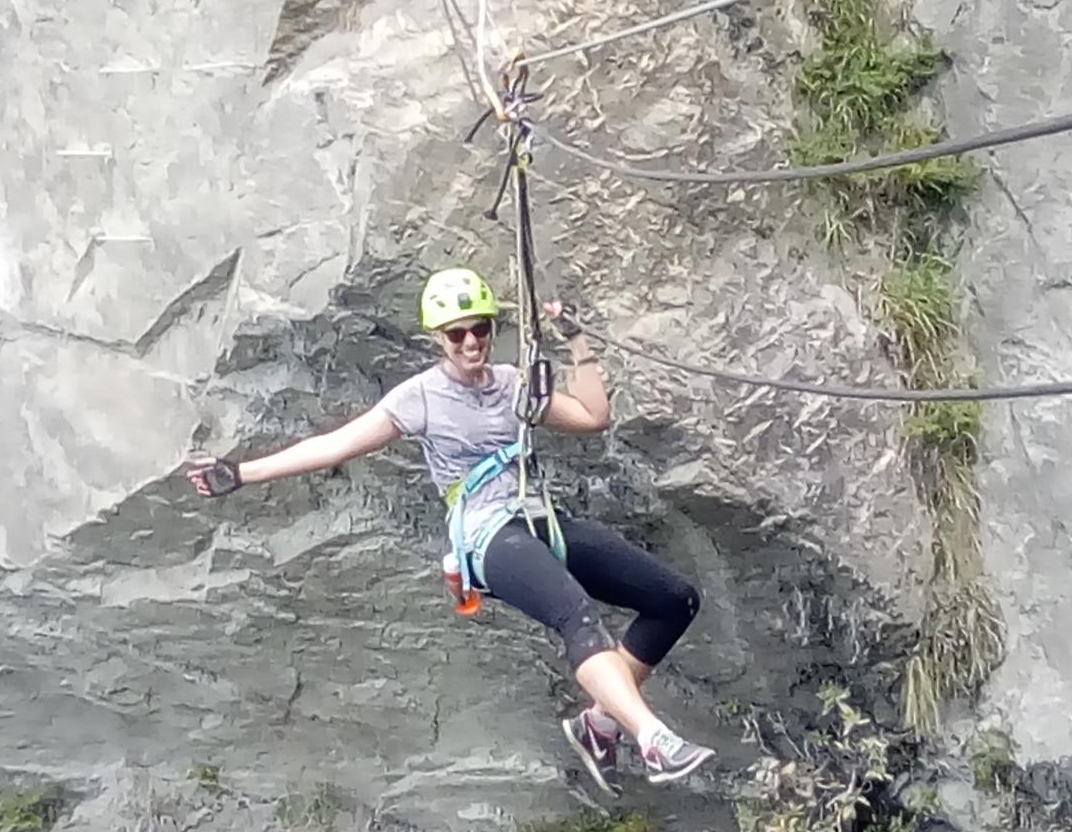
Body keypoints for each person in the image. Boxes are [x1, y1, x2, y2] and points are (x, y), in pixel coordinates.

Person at [184, 267, 714, 787]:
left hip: (540, 522)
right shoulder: (419, 398)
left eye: (480, 328)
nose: (470, 342)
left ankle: (599, 724)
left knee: (673, 599)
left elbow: (592, 417)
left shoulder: (513, 384)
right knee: (578, 618)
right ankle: (652, 738)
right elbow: (335, 445)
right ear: (437, 338)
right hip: (487, 538)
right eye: (457, 333)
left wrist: (576, 340)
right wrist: (240, 472)